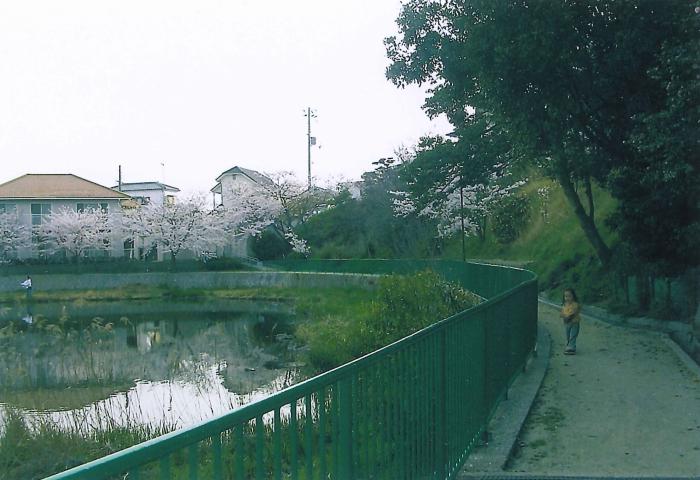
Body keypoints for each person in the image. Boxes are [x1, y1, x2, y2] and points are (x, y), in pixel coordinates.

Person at [560, 287, 581, 355]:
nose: (567, 298)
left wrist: (567, 318)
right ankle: (569, 345)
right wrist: (563, 316)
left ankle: (571, 347)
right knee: (568, 334)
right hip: (567, 323)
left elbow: (573, 314)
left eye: (569, 296)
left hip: (574, 322)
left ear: (573, 296)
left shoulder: (575, 304)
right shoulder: (564, 305)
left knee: (573, 334)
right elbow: (563, 312)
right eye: (566, 296)